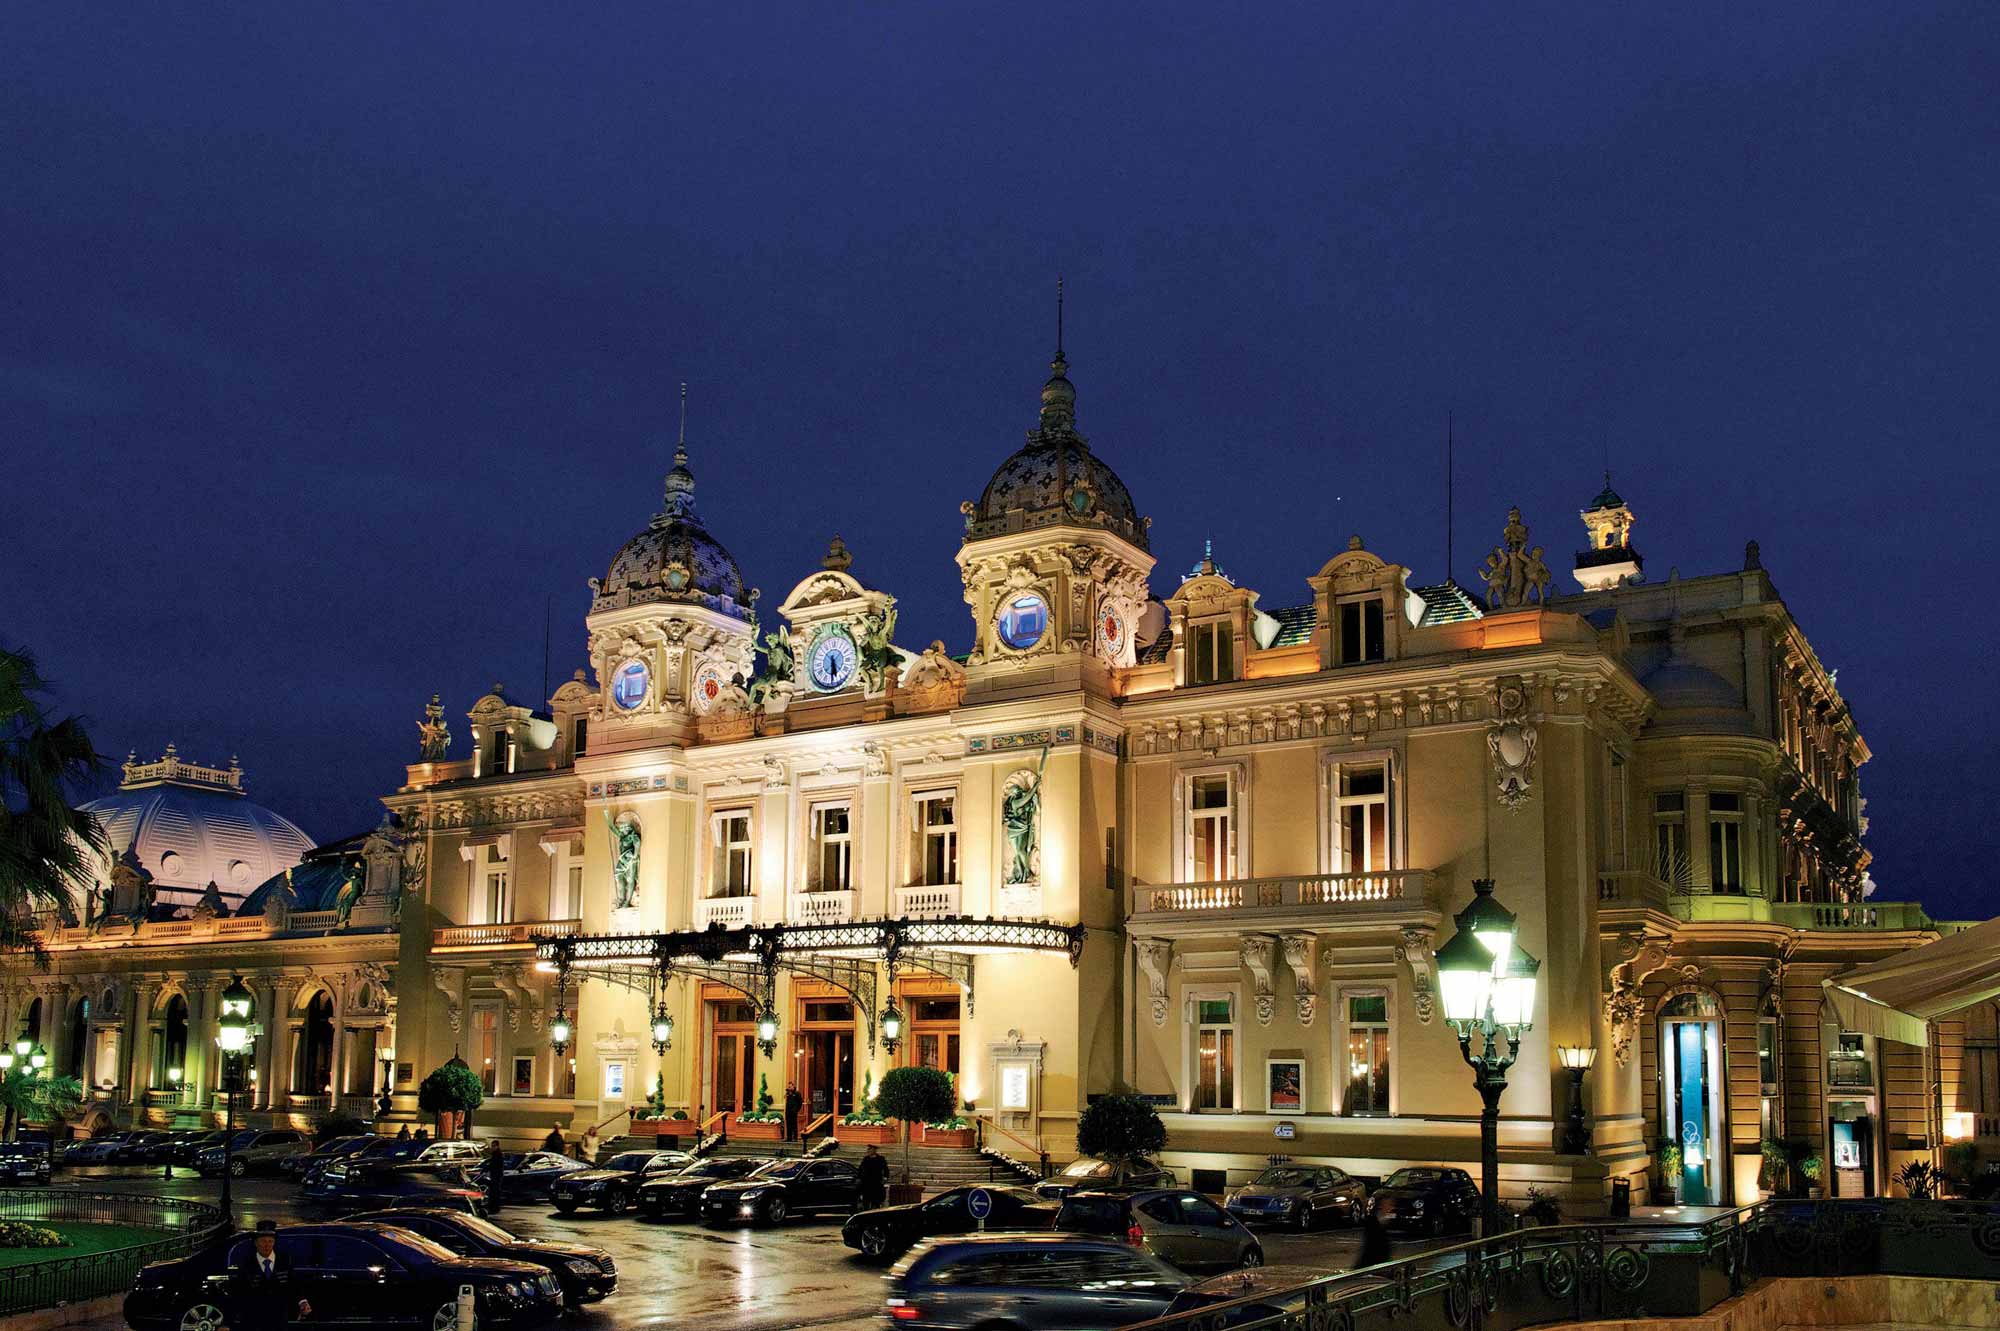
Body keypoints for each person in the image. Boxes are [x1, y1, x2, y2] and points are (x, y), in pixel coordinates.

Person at [230, 1220, 309, 1331]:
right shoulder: (246, 1264)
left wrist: (302, 1301)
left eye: (270, 1241)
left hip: (278, 1320)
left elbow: (294, 1284)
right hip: (253, 1321)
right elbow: (238, 1292)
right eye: (263, 1241)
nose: (267, 1245)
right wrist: (227, 1322)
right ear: (256, 1243)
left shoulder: (284, 1260)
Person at [856, 1144, 889, 1212]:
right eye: (868, 1149)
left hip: (876, 1182)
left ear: (874, 1150)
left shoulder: (880, 1159)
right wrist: (859, 1178)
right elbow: (860, 1169)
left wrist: (885, 1177)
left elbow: (886, 1169)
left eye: (870, 1149)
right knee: (866, 1200)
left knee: (876, 1200)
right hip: (866, 1182)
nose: (868, 1151)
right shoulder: (866, 1159)